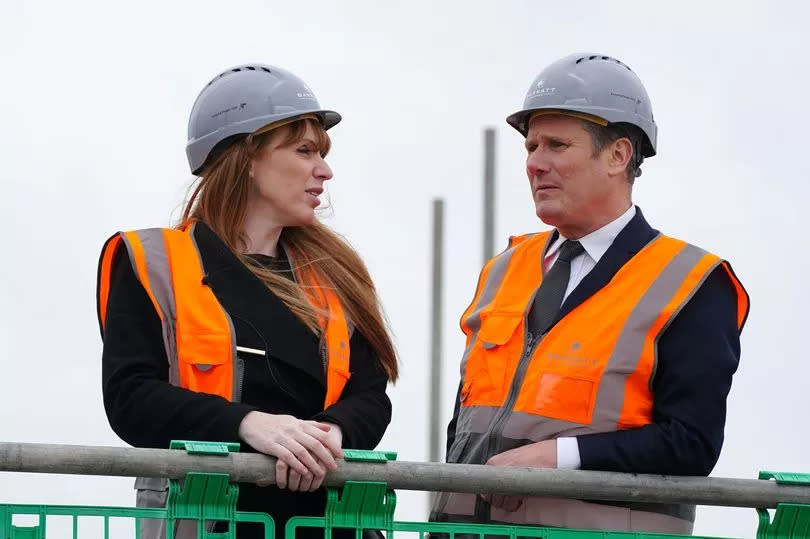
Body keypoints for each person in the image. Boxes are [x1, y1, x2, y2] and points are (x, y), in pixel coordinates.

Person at [430, 53, 749, 533]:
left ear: (619, 156)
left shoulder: (693, 282)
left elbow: (691, 444)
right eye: (532, 146)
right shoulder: (503, 269)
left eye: (556, 145)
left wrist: (556, 458)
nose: (535, 164)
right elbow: (466, 425)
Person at [97, 63, 397, 539]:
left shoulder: (336, 274)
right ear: (247, 155)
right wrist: (249, 425)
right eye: (304, 151)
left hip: (328, 523)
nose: (325, 170)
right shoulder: (150, 260)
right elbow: (131, 397)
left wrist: (327, 438)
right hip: (212, 523)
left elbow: (370, 395)